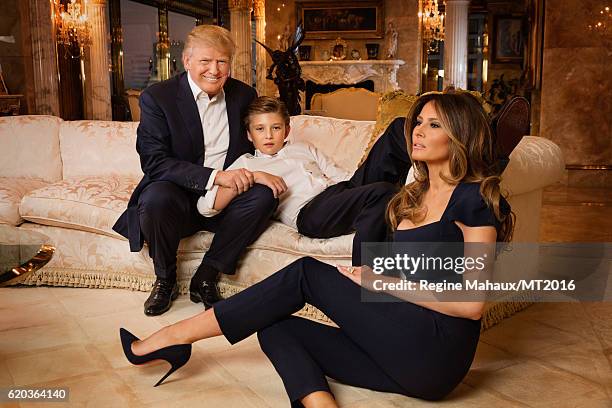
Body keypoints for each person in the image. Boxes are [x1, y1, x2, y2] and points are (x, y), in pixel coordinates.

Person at [119, 89, 515, 406]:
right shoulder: (411, 197)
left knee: (307, 273)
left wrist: (379, 283)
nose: (418, 131)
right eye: (419, 123)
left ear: (460, 135)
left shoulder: (475, 200)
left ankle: (174, 337)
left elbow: (471, 303)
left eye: (433, 124)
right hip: (399, 349)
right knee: (273, 325)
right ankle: (318, 403)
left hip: (435, 353)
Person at [112, 25, 284, 316]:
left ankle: (206, 275)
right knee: (155, 197)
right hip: (177, 196)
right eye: (205, 61)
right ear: (187, 61)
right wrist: (216, 177)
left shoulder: (244, 95)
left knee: (265, 196)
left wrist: (259, 173)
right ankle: (165, 280)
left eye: (222, 62)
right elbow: (154, 162)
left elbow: (264, 137)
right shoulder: (158, 97)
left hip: (226, 197)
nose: (214, 70)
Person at [197, 96, 399, 266]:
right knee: (384, 191)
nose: (268, 135)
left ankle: (427, 192)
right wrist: (254, 177)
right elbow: (205, 206)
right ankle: (365, 274)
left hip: (339, 193)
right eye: (260, 129)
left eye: (276, 128)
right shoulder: (247, 164)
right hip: (310, 213)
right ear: (249, 135)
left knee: (398, 129)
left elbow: (342, 177)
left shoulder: (304, 147)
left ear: (286, 130)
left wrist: (363, 184)